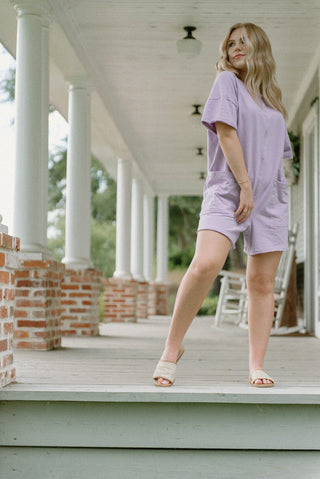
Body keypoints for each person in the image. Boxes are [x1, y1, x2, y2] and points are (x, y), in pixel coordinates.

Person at [152, 22, 293, 388]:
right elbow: (227, 133)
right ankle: (171, 348)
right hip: (230, 189)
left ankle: (256, 365)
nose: (235, 49)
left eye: (242, 42)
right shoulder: (226, 83)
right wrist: (245, 185)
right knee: (205, 264)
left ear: (259, 46)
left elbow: (279, 155)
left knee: (262, 283)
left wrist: (269, 189)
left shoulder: (273, 100)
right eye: (230, 44)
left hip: (271, 197)